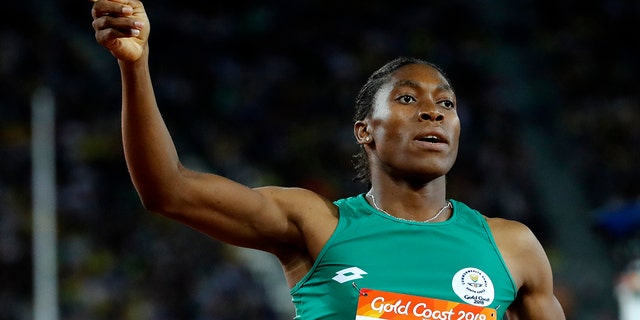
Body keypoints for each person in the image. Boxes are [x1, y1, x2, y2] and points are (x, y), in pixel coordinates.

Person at [90, 0, 566, 319]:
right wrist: (136, 65)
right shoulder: (315, 223)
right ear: (365, 132)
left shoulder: (513, 246)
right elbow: (167, 190)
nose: (432, 112)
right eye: (406, 99)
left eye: (446, 104)